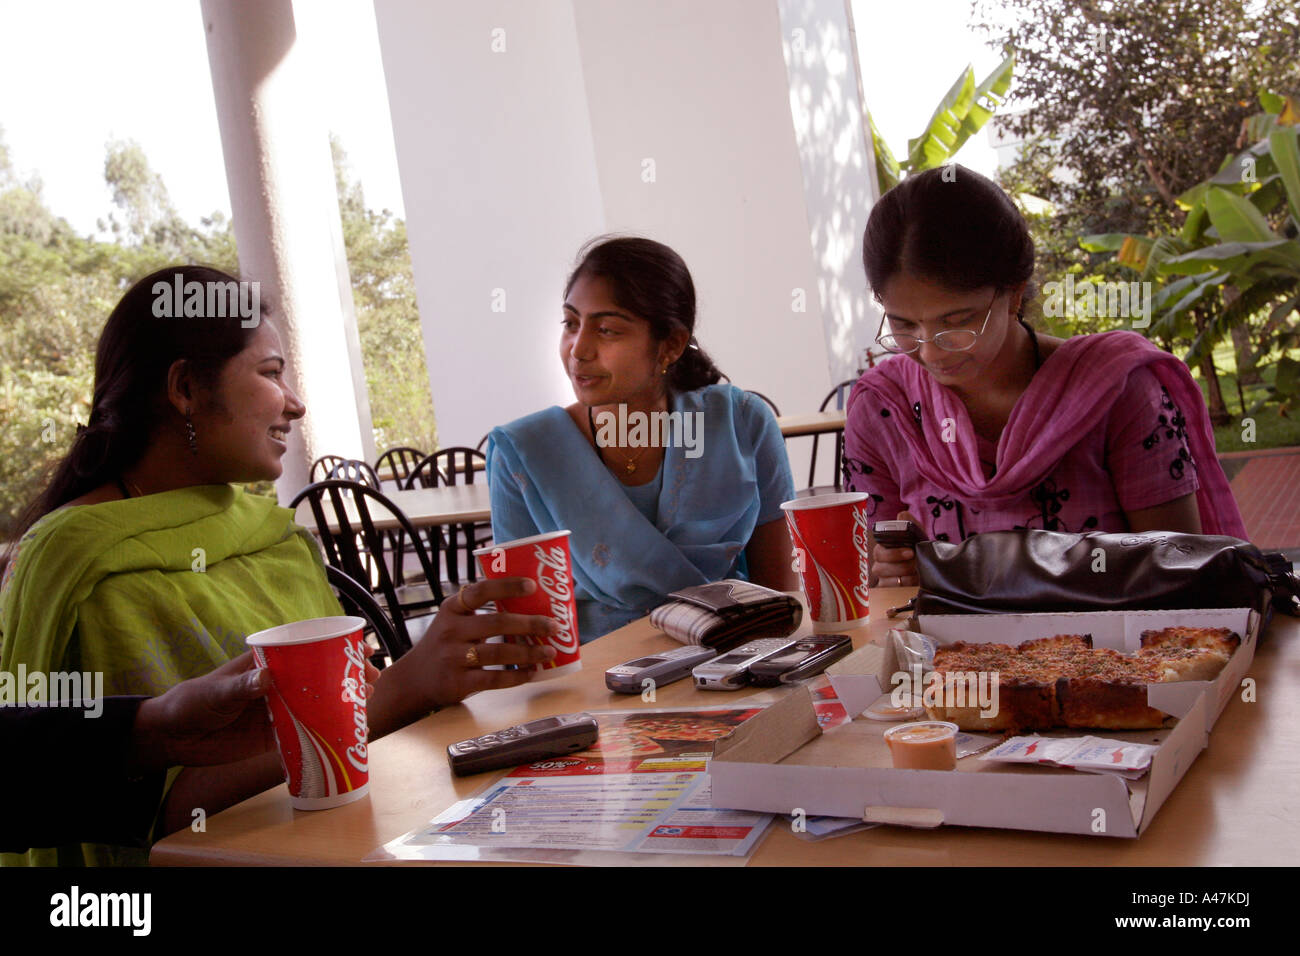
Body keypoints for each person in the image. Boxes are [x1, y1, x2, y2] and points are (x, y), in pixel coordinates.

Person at [0, 265, 557, 866]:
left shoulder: (267, 534)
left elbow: (359, 715)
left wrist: (421, 685)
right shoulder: (89, 565)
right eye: (270, 373)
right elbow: (158, 809)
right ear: (185, 388)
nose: (295, 403)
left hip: (363, 835)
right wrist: (401, 691)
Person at [844, 166, 1247, 588]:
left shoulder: (1117, 390)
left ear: (1013, 293)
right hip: (943, 652)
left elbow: (1177, 568)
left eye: (957, 321)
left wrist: (970, 569)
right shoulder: (883, 408)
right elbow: (874, 579)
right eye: (903, 323)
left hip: (1118, 649)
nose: (928, 350)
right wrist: (895, 572)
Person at [487, 236, 797, 640]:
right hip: (591, 692)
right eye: (570, 324)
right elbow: (528, 639)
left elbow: (780, 601)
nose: (578, 350)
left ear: (669, 346)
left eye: (608, 330)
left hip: (733, 665)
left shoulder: (740, 425)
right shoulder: (526, 455)